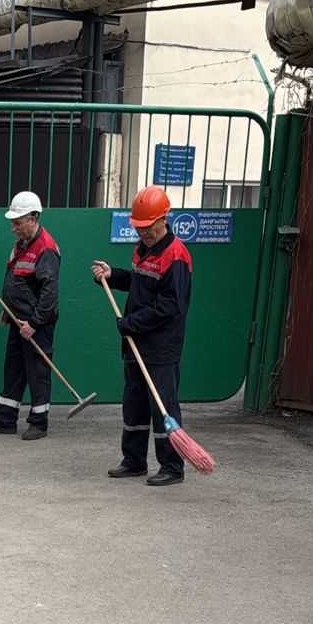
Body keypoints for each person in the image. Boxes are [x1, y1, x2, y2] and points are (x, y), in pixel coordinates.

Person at [92, 184, 192, 487]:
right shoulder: (143, 249)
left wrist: (131, 323)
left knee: (163, 406)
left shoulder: (176, 256)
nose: (143, 232)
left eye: (148, 227)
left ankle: (172, 466)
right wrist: (113, 275)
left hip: (161, 347)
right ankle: (133, 460)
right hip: (135, 342)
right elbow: (139, 284)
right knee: (134, 403)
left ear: (164, 219)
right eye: (139, 227)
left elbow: (170, 306)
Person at [0, 190, 61, 441]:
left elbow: (49, 293)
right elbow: (15, 279)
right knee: (13, 369)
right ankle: (5, 420)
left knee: (38, 372)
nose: (13, 228)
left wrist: (35, 323)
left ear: (33, 218)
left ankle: (39, 423)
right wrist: (8, 310)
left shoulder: (46, 248)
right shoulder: (21, 246)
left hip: (37, 324)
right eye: (13, 223)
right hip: (18, 320)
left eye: (17, 223)